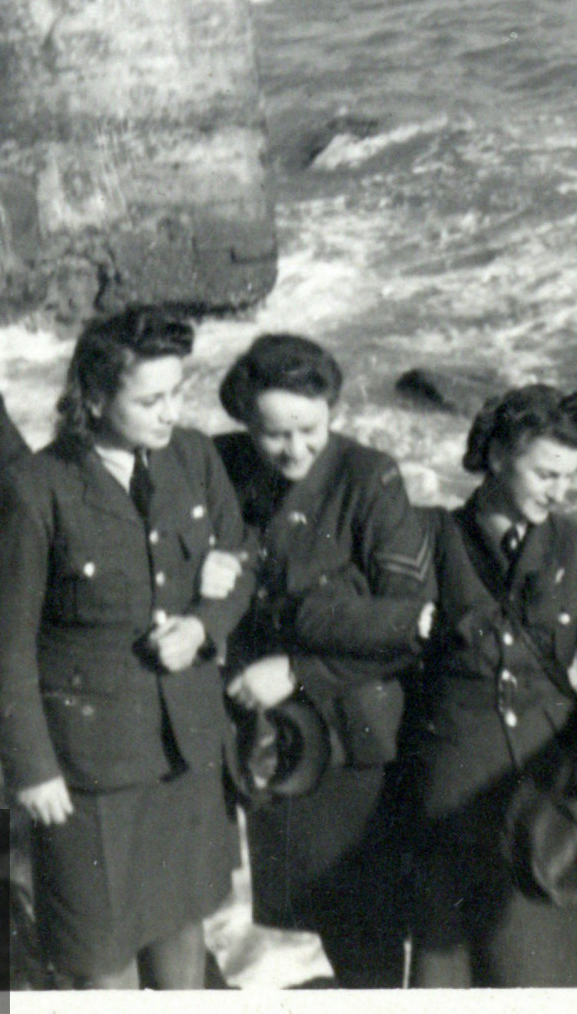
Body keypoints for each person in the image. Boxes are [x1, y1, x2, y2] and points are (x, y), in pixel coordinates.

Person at [0, 307, 253, 989]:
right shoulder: (34, 490)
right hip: (90, 770)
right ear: (93, 399)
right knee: (100, 955)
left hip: (185, 750)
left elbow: (240, 559)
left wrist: (203, 626)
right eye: (150, 400)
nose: (169, 412)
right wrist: (33, 769)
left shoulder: (194, 457)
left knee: (182, 925)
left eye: (177, 392)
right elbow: (3, 649)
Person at [408, 384, 577, 987]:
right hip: (459, 786)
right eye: (545, 474)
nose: (559, 492)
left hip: (559, 790)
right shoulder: (426, 537)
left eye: (568, 477)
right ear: (495, 456)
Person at [214, 333, 436, 987]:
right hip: (274, 739)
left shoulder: (370, 476)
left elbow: (413, 624)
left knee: (368, 925)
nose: (295, 449)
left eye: (310, 429)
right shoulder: (222, 463)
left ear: (332, 410)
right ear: (245, 420)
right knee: (326, 918)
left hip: (354, 738)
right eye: (273, 434)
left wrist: (297, 670)